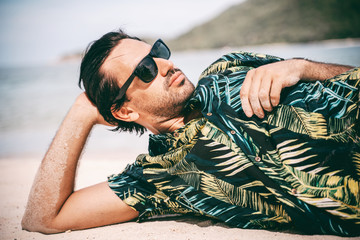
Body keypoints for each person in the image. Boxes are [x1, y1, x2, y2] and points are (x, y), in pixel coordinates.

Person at [21, 29, 360, 236]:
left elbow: (349, 77)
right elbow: (44, 218)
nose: (166, 65)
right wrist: (80, 113)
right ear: (125, 110)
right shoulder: (160, 177)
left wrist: (303, 67)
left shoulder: (230, 66)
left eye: (157, 53)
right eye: (146, 69)